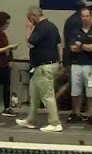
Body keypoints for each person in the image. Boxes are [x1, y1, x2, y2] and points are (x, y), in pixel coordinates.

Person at [17, 4, 61, 132]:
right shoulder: (52, 26)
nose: (29, 21)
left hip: (44, 66)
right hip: (46, 65)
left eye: (29, 18)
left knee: (47, 95)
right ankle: (31, 120)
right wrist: (60, 61)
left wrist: (28, 29)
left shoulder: (41, 27)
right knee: (34, 94)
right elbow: (59, 44)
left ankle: (55, 123)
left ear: (34, 16)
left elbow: (30, 43)